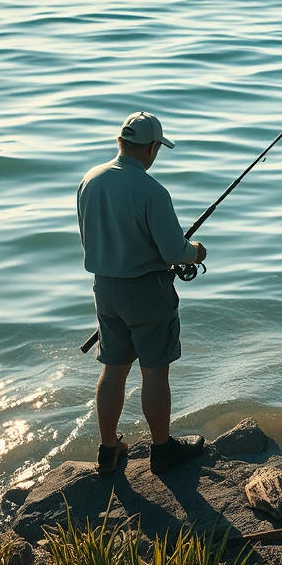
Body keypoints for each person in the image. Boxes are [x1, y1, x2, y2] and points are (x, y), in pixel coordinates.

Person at [77, 111, 208, 475]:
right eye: (157, 149)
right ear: (151, 148)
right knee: (154, 373)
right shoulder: (152, 190)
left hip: (105, 289)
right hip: (147, 292)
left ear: (121, 142)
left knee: (114, 370)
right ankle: (162, 450)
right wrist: (196, 250)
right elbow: (173, 252)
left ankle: (108, 450)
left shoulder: (90, 180)